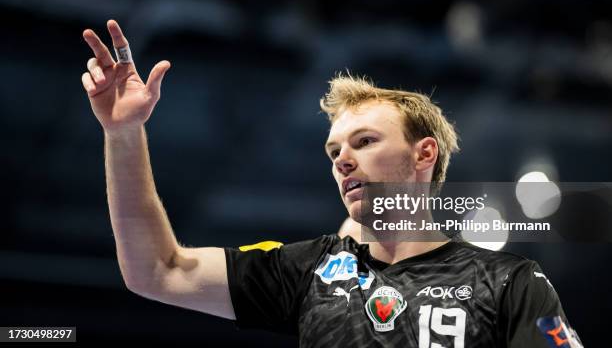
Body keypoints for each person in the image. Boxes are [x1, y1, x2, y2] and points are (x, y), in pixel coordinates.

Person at [81, 20, 582, 347]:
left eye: (364, 141)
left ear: (424, 153)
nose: (343, 159)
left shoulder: (510, 283)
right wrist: (124, 133)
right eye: (334, 151)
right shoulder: (310, 273)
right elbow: (156, 270)